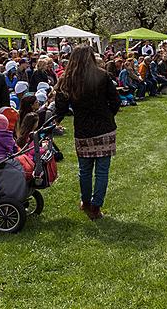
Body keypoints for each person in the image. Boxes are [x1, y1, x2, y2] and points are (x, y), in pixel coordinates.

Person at [53, 45, 120, 220]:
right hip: (104, 127)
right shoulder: (102, 75)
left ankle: (86, 202)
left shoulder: (67, 79)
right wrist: (107, 114)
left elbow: (60, 108)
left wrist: (54, 121)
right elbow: (115, 101)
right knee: (102, 171)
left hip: (83, 129)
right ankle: (96, 207)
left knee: (85, 170)